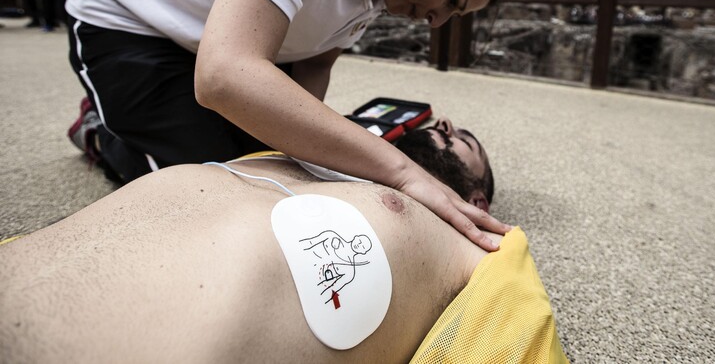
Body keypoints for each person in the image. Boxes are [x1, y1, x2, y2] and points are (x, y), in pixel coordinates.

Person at [65, 0, 516, 251]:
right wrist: (400, 170)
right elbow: (225, 74)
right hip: (132, 18)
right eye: (453, 0)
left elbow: (316, 62)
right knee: (215, 193)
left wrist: (300, 157)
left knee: (278, 179)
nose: (438, 21)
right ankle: (101, 131)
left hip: (225, 43)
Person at [0, 126, 567, 363]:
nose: (443, 122)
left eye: (463, 139)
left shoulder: (482, 247)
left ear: (479, 201)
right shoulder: (306, 153)